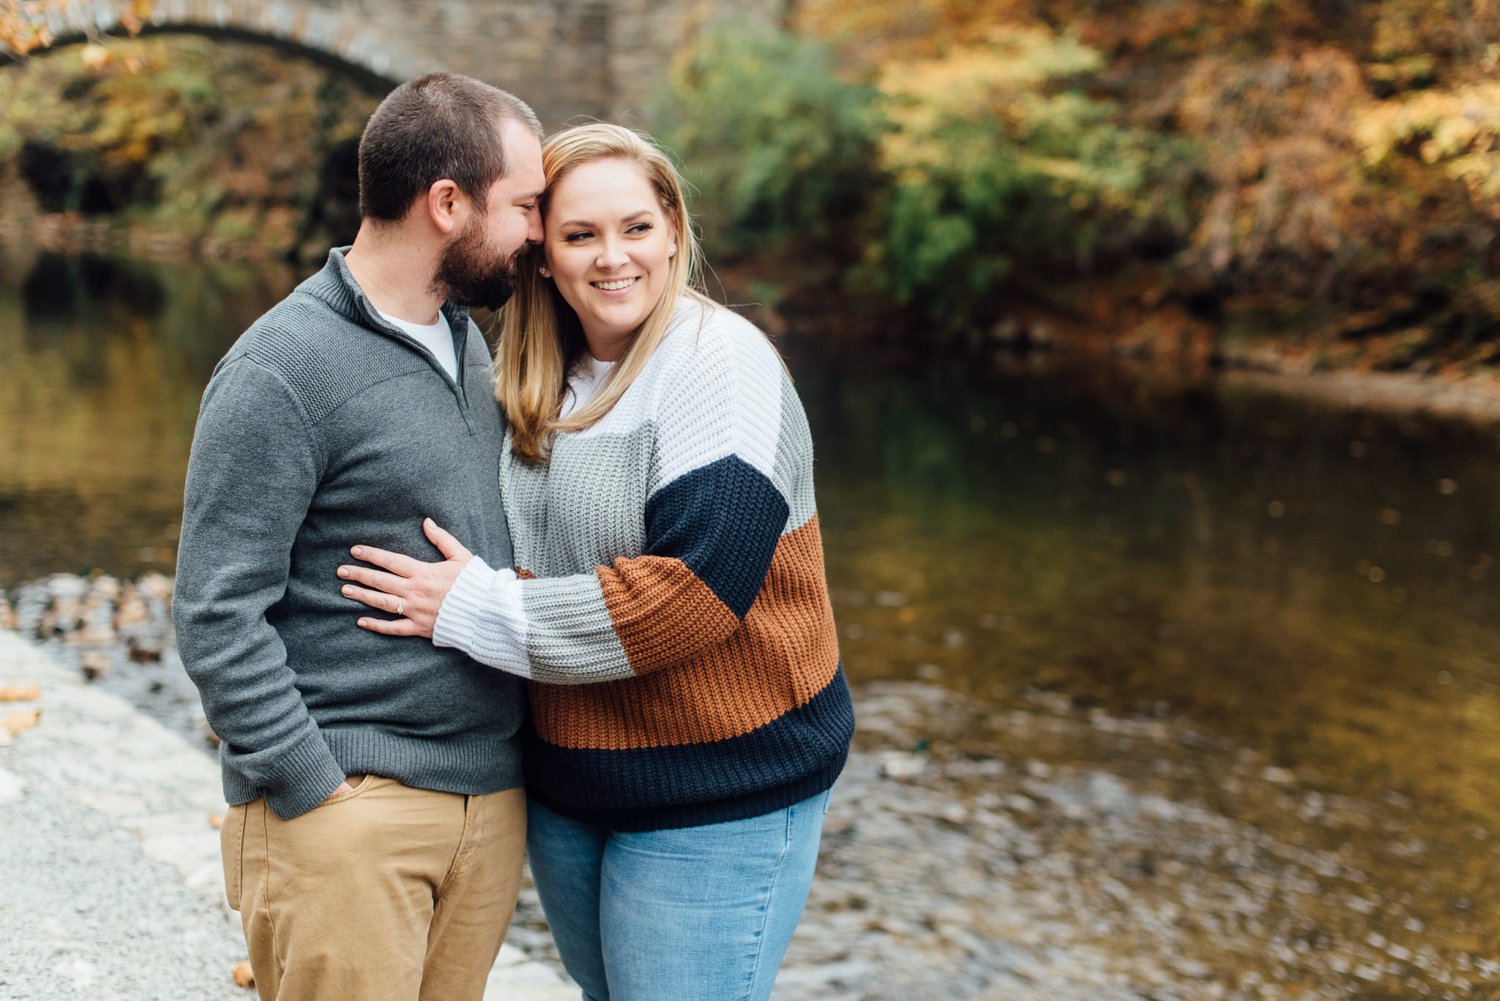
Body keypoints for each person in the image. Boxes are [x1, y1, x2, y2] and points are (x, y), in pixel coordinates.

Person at [336, 122, 856, 1000]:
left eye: (636, 228)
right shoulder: (533, 374)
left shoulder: (717, 364)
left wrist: (474, 608)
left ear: (675, 232)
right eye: (580, 235)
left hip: (720, 787)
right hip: (574, 780)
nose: (612, 258)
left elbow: (690, 596)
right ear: (543, 255)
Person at [172, 72, 545, 1001]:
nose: (538, 234)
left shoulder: (466, 344)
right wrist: (314, 789)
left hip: (487, 808)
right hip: (351, 810)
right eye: (527, 207)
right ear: (448, 204)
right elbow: (216, 610)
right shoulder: (281, 369)